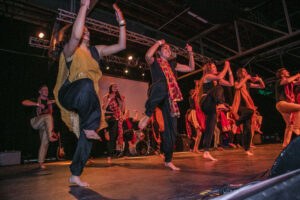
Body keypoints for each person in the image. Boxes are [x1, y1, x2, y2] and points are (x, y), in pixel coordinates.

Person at [53, 0, 126, 187]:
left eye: (87, 29)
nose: (86, 31)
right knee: (85, 83)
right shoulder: (70, 49)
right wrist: (84, 6)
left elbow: (121, 46)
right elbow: (76, 36)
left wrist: (121, 23)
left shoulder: (96, 51)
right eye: (82, 29)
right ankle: (89, 126)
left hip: (88, 98)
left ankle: (75, 174)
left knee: (89, 133)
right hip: (69, 93)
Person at [139, 39, 195, 170]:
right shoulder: (155, 62)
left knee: (172, 132)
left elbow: (191, 68)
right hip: (157, 92)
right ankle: (147, 115)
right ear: (159, 52)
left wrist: (190, 53)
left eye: (170, 49)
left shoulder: (172, 65)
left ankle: (168, 160)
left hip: (169, 99)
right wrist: (158, 43)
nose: (168, 50)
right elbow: (147, 56)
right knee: (163, 85)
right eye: (165, 48)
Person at [198, 61, 234, 161]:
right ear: (209, 69)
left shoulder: (217, 80)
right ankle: (220, 103)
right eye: (213, 67)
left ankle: (206, 151)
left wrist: (230, 71)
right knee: (218, 87)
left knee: (210, 127)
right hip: (205, 101)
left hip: (211, 106)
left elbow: (231, 84)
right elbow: (219, 77)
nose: (215, 68)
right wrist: (226, 66)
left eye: (215, 66)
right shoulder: (207, 76)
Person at [22, 85, 58, 169]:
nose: (46, 91)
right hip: (35, 122)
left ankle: (40, 162)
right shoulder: (35, 99)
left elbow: (61, 101)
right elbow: (24, 102)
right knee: (48, 116)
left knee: (45, 142)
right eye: (44, 90)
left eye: (47, 90)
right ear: (40, 92)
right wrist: (37, 104)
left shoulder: (50, 101)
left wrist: (54, 101)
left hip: (44, 125)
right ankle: (50, 136)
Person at [231, 68, 265, 155]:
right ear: (238, 74)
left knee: (248, 129)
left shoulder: (248, 84)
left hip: (246, 108)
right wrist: (246, 78)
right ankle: (236, 124)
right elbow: (237, 87)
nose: (245, 73)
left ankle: (246, 149)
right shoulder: (237, 82)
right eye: (243, 71)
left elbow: (262, 86)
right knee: (250, 111)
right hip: (238, 106)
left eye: (246, 72)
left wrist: (260, 79)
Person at [275, 68, 300, 148]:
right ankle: (296, 128)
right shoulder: (279, 81)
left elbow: (296, 82)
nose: (288, 72)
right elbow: (288, 81)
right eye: (286, 71)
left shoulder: (289, 83)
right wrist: (297, 75)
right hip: (281, 104)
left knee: (289, 125)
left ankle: (285, 145)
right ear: (282, 75)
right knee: (299, 108)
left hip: (285, 105)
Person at [102, 83, 125, 163]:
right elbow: (104, 107)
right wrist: (109, 99)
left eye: (116, 86)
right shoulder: (106, 96)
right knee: (109, 137)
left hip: (116, 118)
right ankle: (108, 156)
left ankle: (109, 155)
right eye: (114, 86)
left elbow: (122, 110)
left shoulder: (118, 98)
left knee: (113, 137)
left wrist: (123, 101)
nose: (116, 87)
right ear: (110, 88)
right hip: (108, 117)